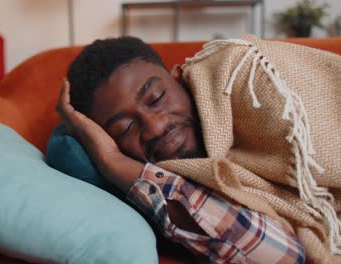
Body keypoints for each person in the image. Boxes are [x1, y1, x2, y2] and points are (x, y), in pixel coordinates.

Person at [56, 36, 312, 263]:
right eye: (125, 128)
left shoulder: (247, 103)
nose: (155, 128)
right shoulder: (166, 189)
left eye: (156, 98)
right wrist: (111, 161)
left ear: (179, 79)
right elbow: (283, 257)